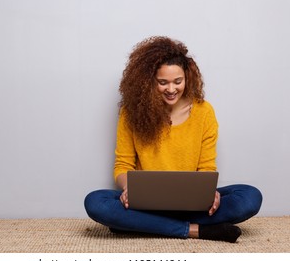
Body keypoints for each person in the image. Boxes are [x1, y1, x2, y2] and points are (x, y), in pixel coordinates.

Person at [84, 36, 262, 243]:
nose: (171, 89)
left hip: (191, 204)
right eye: (163, 82)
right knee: (96, 202)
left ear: (188, 78)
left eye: (178, 81)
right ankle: (195, 230)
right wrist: (128, 188)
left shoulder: (204, 112)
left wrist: (209, 193)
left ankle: (143, 225)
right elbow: (122, 165)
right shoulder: (130, 113)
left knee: (249, 197)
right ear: (149, 81)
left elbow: (206, 167)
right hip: (144, 203)